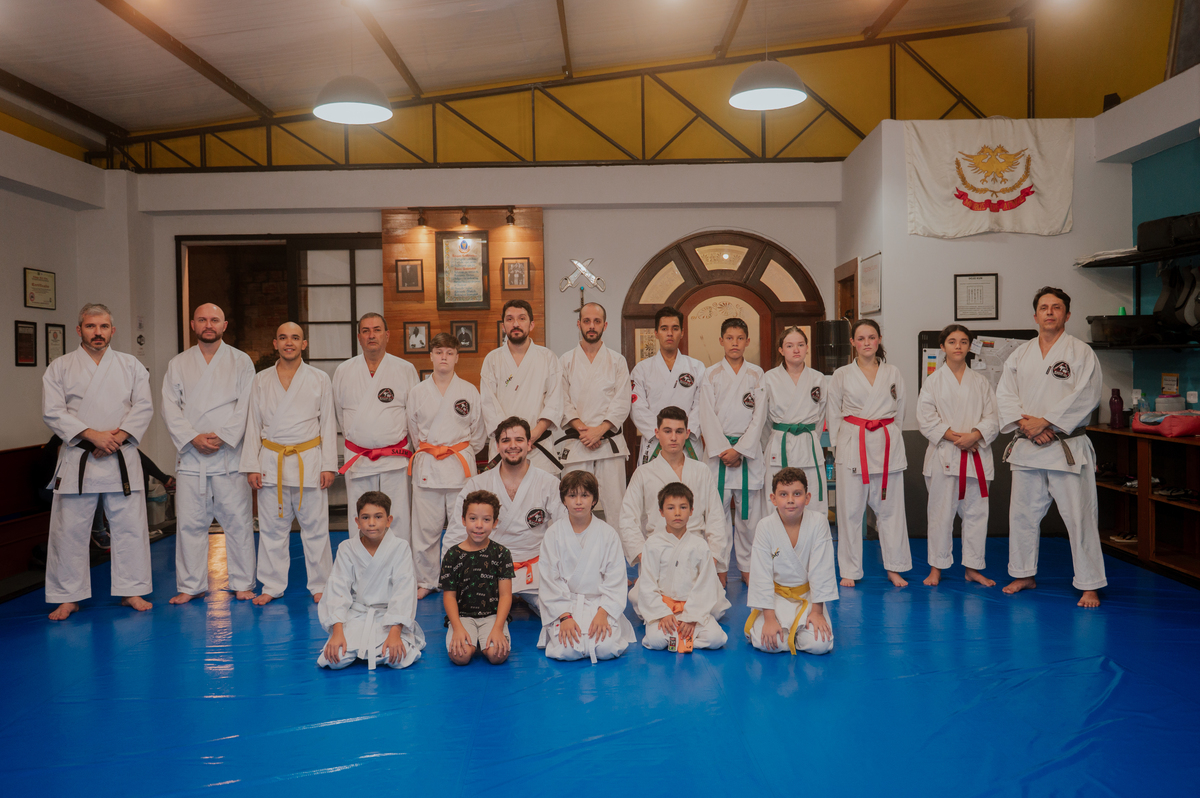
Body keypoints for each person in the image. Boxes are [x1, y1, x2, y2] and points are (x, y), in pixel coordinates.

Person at [42, 303, 155, 620]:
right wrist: (93, 436)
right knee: (69, 530)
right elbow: (53, 411)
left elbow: (143, 407)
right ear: (79, 330)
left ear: (112, 330)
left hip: (120, 455)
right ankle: (68, 596)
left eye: (104, 326)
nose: (98, 332)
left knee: (130, 527)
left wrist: (115, 438)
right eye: (91, 326)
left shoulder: (130, 365)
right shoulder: (60, 367)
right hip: (80, 454)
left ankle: (131, 590)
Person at [996, 287, 1106, 607]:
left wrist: (1046, 422)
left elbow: (1087, 395)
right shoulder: (1020, 354)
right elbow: (1005, 394)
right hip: (1028, 446)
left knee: (1080, 517)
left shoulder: (1081, 352)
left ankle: (1089, 583)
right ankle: (1023, 573)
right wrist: (1026, 426)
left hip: (1065, 446)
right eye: (1044, 307)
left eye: (1056, 307)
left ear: (1067, 315)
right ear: (1035, 316)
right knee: (1022, 515)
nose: (1049, 312)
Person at [161, 303, 257, 603]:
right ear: (193, 324)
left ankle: (243, 582)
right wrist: (192, 437)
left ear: (224, 325)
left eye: (214, 320)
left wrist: (224, 436)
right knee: (190, 524)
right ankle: (191, 585)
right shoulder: (178, 363)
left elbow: (248, 405)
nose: (208, 325)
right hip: (192, 456)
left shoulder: (241, 361)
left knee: (238, 522)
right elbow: (169, 407)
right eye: (202, 320)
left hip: (229, 455)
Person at [240, 322, 338, 605]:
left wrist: (329, 465)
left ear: (303, 344)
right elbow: (252, 424)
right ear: (275, 344)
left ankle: (321, 584)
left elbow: (328, 424)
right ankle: (272, 585)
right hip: (272, 462)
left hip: (310, 463)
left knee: (316, 530)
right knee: (272, 530)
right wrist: (252, 465)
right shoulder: (261, 380)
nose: (289, 342)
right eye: (283, 338)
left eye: (295, 338)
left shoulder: (319, 378)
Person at [442, 416, 564, 613]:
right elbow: (456, 533)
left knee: (558, 610)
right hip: (490, 567)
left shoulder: (548, 483)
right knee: (473, 613)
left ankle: (526, 596)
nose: (512, 445)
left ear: (529, 444)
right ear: (497, 446)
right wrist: (453, 580)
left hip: (534, 567)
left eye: (519, 440)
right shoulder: (478, 484)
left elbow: (564, 530)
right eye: (506, 440)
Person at [828, 318, 912, 588]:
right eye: (861, 338)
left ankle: (895, 567)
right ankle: (850, 570)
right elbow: (833, 413)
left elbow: (900, 412)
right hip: (854, 446)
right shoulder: (841, 374)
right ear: (852, 342)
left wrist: (891, 438)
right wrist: (839, 449)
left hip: (886, 445)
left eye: (872, 337)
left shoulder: (893, 372)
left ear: (879, 340)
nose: (867, 343)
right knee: (850, 512)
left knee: (891, 511)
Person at [916, 324, 999, 587]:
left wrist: (975, 435)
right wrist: (957, 438)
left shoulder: (981, 382)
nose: (958, 346)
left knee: (976, 514)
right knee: (940, 515)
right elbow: (926, 419)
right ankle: (936, 567)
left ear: (970, 346)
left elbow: (993, 418)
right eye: (952, 341)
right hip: (944, 455)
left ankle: (973, 568)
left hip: (976, 455)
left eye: (963, 341)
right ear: (942, 347)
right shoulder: (933, 382)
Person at [407, 333, 488, 597]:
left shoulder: (469, 391)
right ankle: (426, 580)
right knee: (425, 530)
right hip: (428, 466)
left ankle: (460, 578)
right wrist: (432, 450)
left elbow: (478, 434)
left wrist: (461, 451)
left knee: (463, 527)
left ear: (457, 357)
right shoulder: (417, 392)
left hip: (459, 466)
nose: (444, 357)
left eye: (449, 353)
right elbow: (413, 432)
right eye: (439, 352)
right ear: (430, 355)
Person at [618, 406, 730, 590]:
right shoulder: (643, 473)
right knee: (645, 600)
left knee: (710, 602)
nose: (673, 437)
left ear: (687, 433)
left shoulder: (701, 471)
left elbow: (716, 518)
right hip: (657, 555)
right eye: (667, 431)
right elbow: (627, 519)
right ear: (657, 433)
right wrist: (643, 556)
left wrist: (715, 560)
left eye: (679, 431)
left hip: (696, 555)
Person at [333, 313, 420, 542]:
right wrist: (362, 435)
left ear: (387, 335)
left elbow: (414, 415)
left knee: (397, 516)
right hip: (359, 458)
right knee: (360, 517)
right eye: (366, 331)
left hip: (395, 458)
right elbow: (340, 414)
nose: (371, 335)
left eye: (377, 330)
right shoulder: (344, 371)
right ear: (359, 337)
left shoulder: (405, 369)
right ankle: (361, 563)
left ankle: (399, 563)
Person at [317, 491, 425, 670]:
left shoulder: (400, 547)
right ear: (357, 521)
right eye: (365, 517)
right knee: (334, 660)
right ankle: (359, 645)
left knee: (397, 658)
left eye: (378, 517)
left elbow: (404, 591)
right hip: (356, 615)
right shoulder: (346, 548)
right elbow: (337, 590)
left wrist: (395, 633)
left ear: (389, 520)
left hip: (389, 618)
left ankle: (393, 640)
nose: (372, 523)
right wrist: (337, 632)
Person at [537, 471, 636, 662]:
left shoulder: (608, 534)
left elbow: (615, 579)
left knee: (606, 648)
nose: (578, 502)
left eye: (585, 495)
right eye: (572, 495)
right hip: (565, 605)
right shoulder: (553, 533)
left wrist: (603, 614)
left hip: (599, 604)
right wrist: (565, 616)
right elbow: (550, 580)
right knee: (567, 650)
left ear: (594, 499)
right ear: (564, 500)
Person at [697, 318, 766, 582]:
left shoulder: (757, 374)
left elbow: (760, 417)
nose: (734, 343)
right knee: (717, 517)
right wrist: (724, 449)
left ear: (747, 341)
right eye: (729, 338)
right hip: (720, 456)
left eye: (739, 338)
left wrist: (741, 450)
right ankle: (720, 569)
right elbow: (706, 415)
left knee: (749, 518)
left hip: (747, 455)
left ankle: (748, 568)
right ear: (721, 341)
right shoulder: (710, 374)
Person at [745, 468, 837, 655]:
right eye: (783, 494)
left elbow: (821, 570)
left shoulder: (818, 522)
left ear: (807, 497)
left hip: (807, 598)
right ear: (773, 499)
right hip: (775, 598)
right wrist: (769, 619)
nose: (790, 500)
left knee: (820, 645)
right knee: (770, 644)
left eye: (797, 494)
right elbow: (761, 575)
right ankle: (786, 632)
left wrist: (817, 612)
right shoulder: (765, 526)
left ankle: (795, 633)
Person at [557, 302, 631, 519]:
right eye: (587, 321)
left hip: (609, 444)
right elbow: (561, 400)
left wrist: (600, 431)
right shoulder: (565, 361)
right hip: (577, 443)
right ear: (578, 324)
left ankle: (618, 544)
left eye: (597, 321)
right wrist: (585, 431)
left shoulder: (617, 361)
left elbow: (622, 401)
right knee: (574, 505)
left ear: (604, 325)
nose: (591, 326)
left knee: (616, 506)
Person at [638, 482, 730, 651]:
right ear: (661, 512)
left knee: (716, 639)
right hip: (664, 610)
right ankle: (685, 639)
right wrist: (663, 613)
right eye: (670, 508)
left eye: (683, 507)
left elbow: (706, 585)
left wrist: (691, 617)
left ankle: (679, 639)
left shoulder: (700, 545)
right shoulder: (652, 544)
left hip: (693, 608)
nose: (677, 513)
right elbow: (647, 584)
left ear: (691, 510)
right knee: (656, 640)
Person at [481, 299, 564, 474]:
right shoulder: (492, 359)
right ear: (503, 326)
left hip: (538, 446)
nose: (516, 324)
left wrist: (532, 435)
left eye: (522, 318)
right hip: (504, 447)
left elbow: (554, 402)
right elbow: (489, 404)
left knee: (541, 490)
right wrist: (511, 440)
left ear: (531, 324)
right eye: (510, 319)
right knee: (503, 490)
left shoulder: (548, 358)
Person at [762, 326, 829, 527]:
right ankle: (777, 545)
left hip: (808, 444)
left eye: (800, 345)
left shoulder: (818, 378)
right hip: (779, 444)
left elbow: (820, 417)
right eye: (790, 346)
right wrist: (772, 440)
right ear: (781, 350)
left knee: (813, 502)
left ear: (807, 347)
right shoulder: (769, 378)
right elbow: (763, 420)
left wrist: (809, 438)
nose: (796, 350)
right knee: (776, 503)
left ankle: (813, 545)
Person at [441, 490, 514, 665]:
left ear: (495, 522)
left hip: (493, 616)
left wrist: (498, 628)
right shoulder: (452, 555)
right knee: (461, 656)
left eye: (486, 520)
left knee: (497, 655)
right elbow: (449, 597)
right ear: (463, 520)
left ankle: (487, 638)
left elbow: (505, 595)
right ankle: (471, 639)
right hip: (463, 617)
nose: (479, 525)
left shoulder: (502, 553)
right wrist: (457, 627)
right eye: (473, 518)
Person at [629, 306, 706, 464]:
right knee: (654, 480)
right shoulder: (641, 370)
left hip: (687, 441)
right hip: (655, 441)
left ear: (682, 332)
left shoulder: (697, 367)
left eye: (675, 328)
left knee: (691, 479)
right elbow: (637, 409)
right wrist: (662, 433)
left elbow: (702, 404)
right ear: (656, 333)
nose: (669, 333)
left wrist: (683, 432)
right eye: (664, 328)